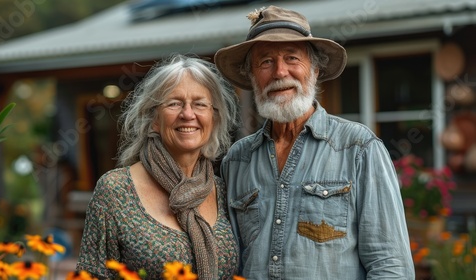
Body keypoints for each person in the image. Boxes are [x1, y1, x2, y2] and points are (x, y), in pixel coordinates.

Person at [214, 6, 415, 279]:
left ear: (315, 70)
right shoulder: (237, 159)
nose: (279, 72)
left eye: (292, 58)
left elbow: (391, 267)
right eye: (265, 62)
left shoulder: (358, 147)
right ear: (252, 76)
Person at [76, 54, 240, 279]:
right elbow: (90, 275)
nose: (188, 114)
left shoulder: (222, 190)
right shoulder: (115, 191)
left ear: (214, 120)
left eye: (200, 104)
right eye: (174, 103)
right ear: (153, 119)